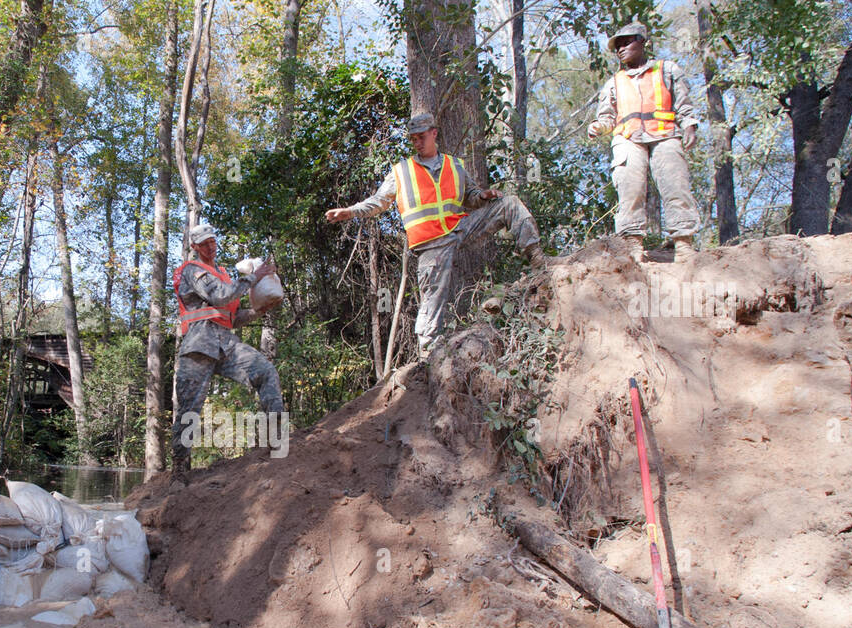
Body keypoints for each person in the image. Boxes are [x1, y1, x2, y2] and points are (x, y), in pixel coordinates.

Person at [325, 112, 548, 358]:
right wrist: (350, 211)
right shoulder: (402, 171)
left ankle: (538, 260)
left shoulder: (455, 165)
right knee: (432, 300)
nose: (417, 143)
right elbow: (379, 202)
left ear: (434, 133)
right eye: (413, 139)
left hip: (459, 228)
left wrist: (482, 196)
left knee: (510, 203)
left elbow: (471, 196)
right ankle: (427, 355)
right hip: (431, 244)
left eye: (421, 137)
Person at [171, 223, 283, 480]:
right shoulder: (193, 271)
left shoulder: (222, 273)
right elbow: (219, 297)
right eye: (205, 243)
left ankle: (276, 441)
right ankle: (179, 471)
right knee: (189, 408)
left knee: (265, 371)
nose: (211, 246)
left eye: (213, 241)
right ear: (195, 247)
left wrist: (257, 311)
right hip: (199, 344)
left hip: (225, 342)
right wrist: (253, 278)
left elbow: (230, 316)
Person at [588, 21, 702, 262]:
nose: (620, 49)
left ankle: (683, 245)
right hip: (628, 139)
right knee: (630, 189)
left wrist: (689, 124)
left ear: (642, 42)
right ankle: (632, 247)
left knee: (675, 185)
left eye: (626, 42)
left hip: (665, 134)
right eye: (617, 46)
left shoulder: (667, 70)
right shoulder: (614, 82)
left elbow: (684, 104)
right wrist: (599, 126)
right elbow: (607, 117)